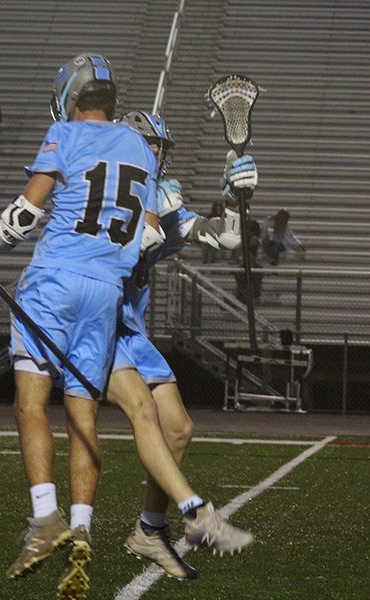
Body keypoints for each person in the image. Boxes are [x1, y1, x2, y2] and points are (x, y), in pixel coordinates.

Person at [0, 54, 164, 599]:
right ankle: (83, 529)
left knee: (30, 401)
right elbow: (150, 235)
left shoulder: (64, 133)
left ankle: (45, 518)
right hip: (106, 293)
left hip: (55, 281)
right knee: (82, 415)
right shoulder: (141, 145)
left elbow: (27, 212)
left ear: (73, 95)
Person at [105, 111, 257, 581]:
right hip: (93, 323)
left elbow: (227, 237)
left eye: (160, 146)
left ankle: (149, 530)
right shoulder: (104, 190)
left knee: (179, 429)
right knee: (140, 417)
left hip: (131, 330)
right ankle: (193, 514)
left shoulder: (156, 194)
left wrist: (233, 196)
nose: (157, 153)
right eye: (148, 144)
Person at [236, 219, 264, 303]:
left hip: (255, 265)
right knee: (240, 275)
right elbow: (239, 252)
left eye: (250, 230)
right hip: (246, 265)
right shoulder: (243, 241)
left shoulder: (256, 241)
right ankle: (242, 294)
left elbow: (257, 252)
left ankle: (253, 294)